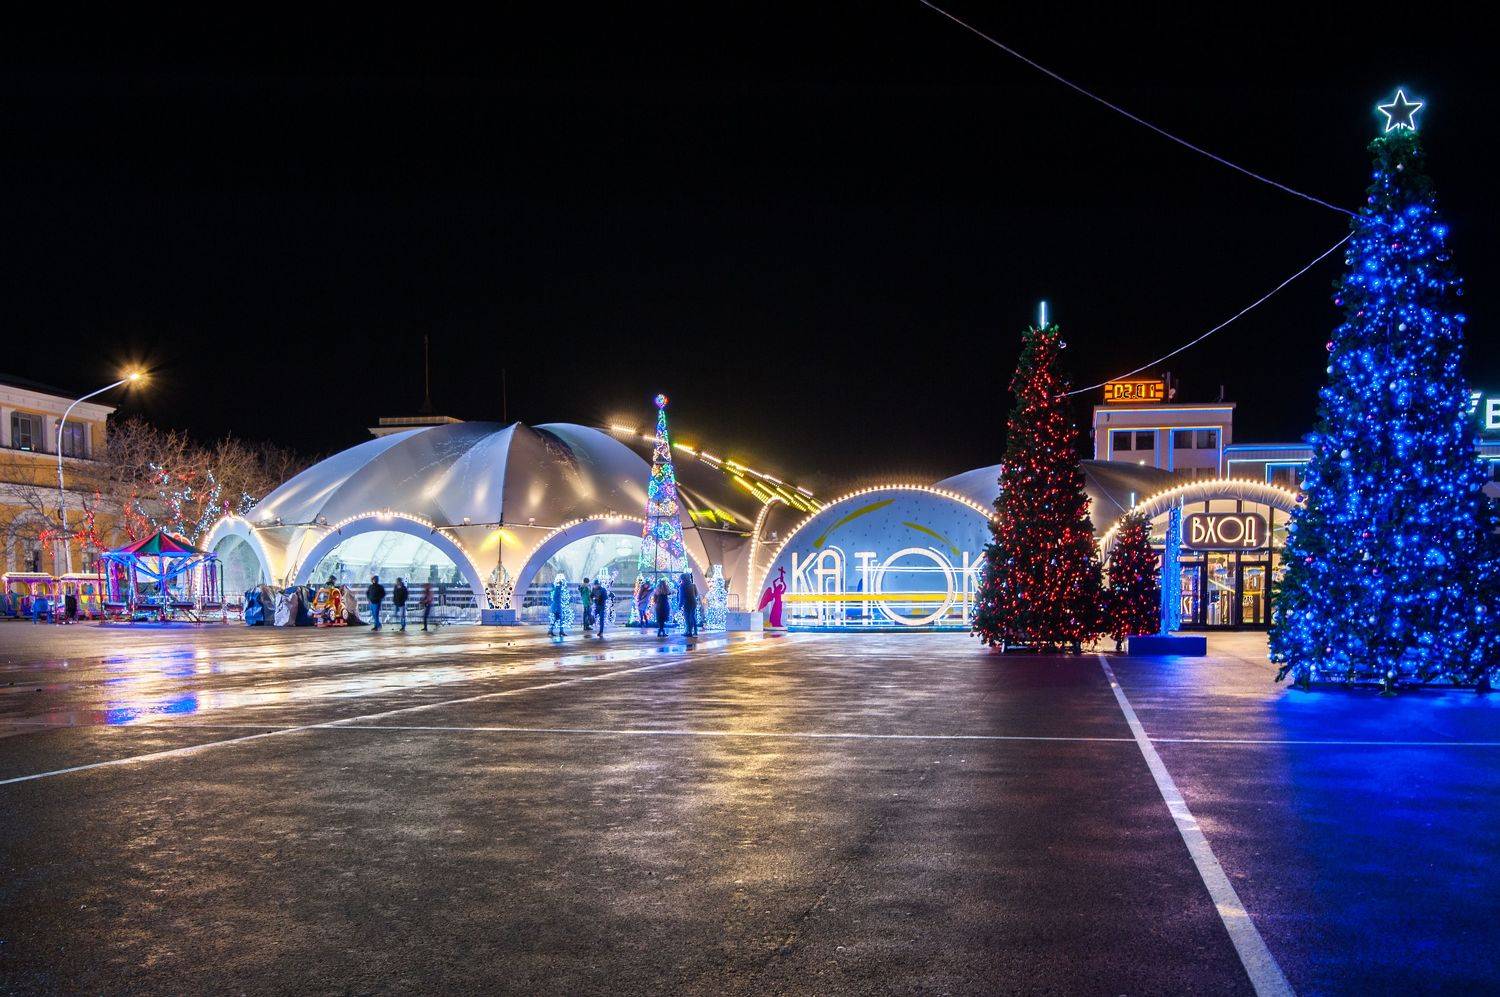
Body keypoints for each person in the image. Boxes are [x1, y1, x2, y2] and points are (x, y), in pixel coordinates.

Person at [679, 572, 699, 638]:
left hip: (687, 603)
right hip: (694, 602)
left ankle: (689, 631)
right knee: (692, 617)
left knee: (687, 617)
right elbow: (696, 594)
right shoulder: (693, 585)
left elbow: (681, 596)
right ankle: (695, 631)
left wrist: (680, 604)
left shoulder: (682, 586)